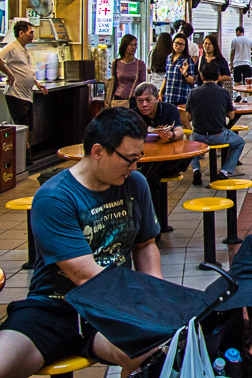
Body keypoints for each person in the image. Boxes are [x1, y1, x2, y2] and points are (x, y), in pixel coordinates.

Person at [0, 107, 161, 378]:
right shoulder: (54, 198)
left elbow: (145, 245)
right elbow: (83, 275)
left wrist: (155, 294)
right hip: (53, 308)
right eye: (128, 159)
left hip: (108, 309)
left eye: (138, 157)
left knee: (151, 355)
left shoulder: (135, 184)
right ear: (98, 151)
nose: (134, 167)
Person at [132, 82, 189, 227]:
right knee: (150, 179)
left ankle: (153, 224)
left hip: (170, 160)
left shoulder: (169, 109)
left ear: (157, 98)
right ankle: (156, 224)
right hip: (147, 160)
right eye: (140, 101)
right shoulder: (133, 114)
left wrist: (170, 135)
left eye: (148, 100)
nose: (144, 104)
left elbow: (180, 132)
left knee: (147, 177)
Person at [185, 62, 245, 184]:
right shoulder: (224, 93)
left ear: (202, 77)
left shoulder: (193, 93)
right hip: (218, 134)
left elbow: (188, 118)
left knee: (190, 142)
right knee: (239, 142)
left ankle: (196, 169)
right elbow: (231, 115)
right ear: (218, 77)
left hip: (198, 135)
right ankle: (224, 171)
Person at [0, 21, 45, 165]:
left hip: (27, 94)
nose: (33, 35)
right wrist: (9, 74)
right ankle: (24, 160)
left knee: (28, 127)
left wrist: (37, 83)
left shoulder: (24, 50)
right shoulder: (11, 47)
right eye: (31, 32)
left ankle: (25, 158)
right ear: (21, 33)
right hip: (15, 94)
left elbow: (26, 70)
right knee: (23, 126)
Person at [106, 34, 147, 107]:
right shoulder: (116, 63)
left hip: (133, 99)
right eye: (131, 45)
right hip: (118, 98)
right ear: (125, 46)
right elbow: (113, 81)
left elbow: (143, 84)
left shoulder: (140, 64)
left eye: (135, 45)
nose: (134, 47)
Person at [160, 33, 197, 106]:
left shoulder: (187, 60)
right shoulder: (169, 57)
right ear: (173, 43)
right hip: (169, 96)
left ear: (185, 46)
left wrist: (185, 74)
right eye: (176, 43)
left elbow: (192, 80)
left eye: (181, 44)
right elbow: (167, 76)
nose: (178, 46)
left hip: (182, 97)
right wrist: (161, 92)